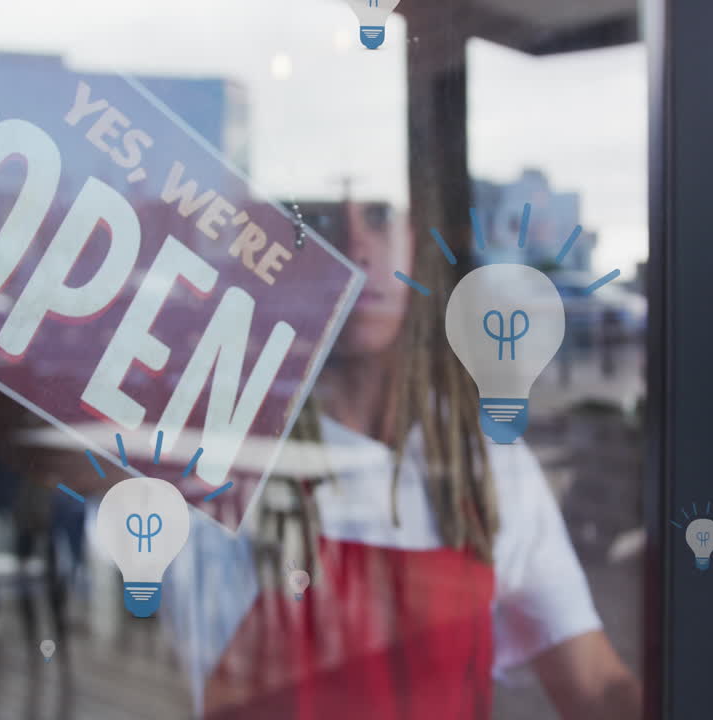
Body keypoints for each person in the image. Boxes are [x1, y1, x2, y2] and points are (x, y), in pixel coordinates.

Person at [170, 201, 641, 720]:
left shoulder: (487, 468)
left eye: (379, 216)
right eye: (325, 221)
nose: (356, 248)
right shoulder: (218, 457)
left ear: (417, 245)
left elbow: (595, 685)